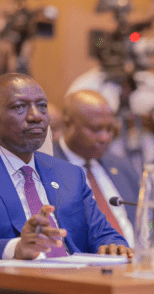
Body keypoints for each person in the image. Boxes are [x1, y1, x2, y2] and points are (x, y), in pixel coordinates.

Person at [0, 73, 131, 261]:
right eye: (20, 107)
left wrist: (114, 245)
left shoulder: (70, 173)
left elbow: (104, 235)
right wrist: (16, 248)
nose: (36, 116)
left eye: (42, 106)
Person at [53, 90, 140, 247]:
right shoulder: (48, 166)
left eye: (110, 129)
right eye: (95, 129)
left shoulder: (121, 165)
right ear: (67, 125)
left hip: (135, 261)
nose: (105, 137)